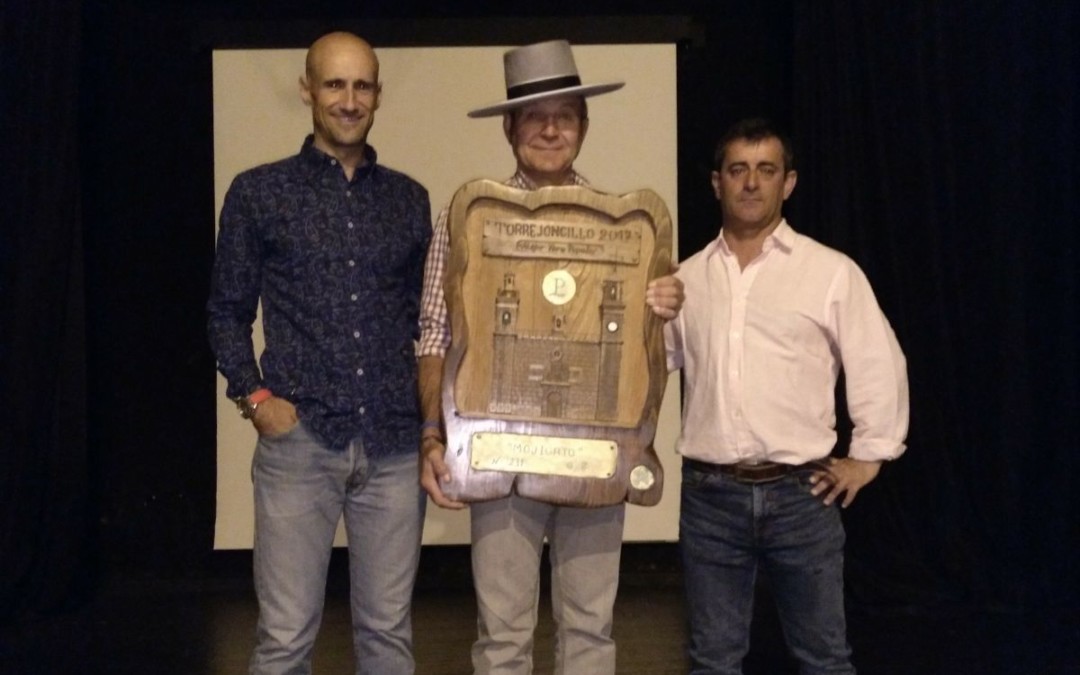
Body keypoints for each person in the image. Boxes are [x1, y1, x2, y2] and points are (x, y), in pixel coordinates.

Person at [416, 40, 683, 674]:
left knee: (590, 628)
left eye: (565, 116)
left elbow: (651, 353)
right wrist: (432, 435)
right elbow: (434, 332)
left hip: (595, 454)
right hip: (499, 449)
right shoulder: (468, 217)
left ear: (584, 127)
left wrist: (664, 305)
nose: (551, 129)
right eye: (534, 116)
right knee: (501, 635)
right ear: (509, 127)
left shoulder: (626, 230)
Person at [206, 32, 431, 675]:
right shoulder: (260, 193)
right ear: (307, 89)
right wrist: (256, 400)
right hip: (299, 442)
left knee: (387, 637)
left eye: (362, 86)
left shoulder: (409, 200)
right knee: (283, 639)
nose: (349, 100)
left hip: (393, 444)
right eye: (335, 84)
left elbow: (429, 321)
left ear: (378, 95)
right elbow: (225, 311)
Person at [665, 117, 909, 674]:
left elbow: (877, 360)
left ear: (788, 182)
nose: (751, 182)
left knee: (824, 659)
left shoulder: (829, 272)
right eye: (738, 170)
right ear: (717, 183)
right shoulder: (687, 279)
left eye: (766, 170)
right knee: (712, 661)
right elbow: (652, 366)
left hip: (802, 495)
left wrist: (870, 455)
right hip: (710, 496)